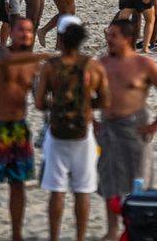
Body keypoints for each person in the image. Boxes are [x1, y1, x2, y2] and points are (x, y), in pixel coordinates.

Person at [0, 16, 52, 241]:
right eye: (21, 31)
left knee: (18, 183)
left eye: (29, 31)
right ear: (12, 33)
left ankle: (17, 234)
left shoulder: (34, 67)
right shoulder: (1, 53)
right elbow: (7, 60)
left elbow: (39, 100)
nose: (25, 35)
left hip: (18, 128)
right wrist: (48, 57)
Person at [97, 19, 157, 241]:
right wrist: (93, 121)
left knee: (139, 178)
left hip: (135, 127)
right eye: (108, 35)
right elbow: (84, 93)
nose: (108, 40)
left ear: (128, 39)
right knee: (109, 178)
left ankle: (137, 228)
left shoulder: (144, 64)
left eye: (113, 36)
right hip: (109, 127)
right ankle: (112, 230)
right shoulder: (101, 64)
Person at [35, 16, 109, 241]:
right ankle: (80, 237)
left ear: (61, 39)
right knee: (82, 190)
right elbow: (105, 101)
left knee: (56, 190)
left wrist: (55, 103)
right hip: (82, 132)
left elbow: (39, 103)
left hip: (57, 132)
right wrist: (87, 105)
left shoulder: (50, 67)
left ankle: (54, 236)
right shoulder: (93, 66)